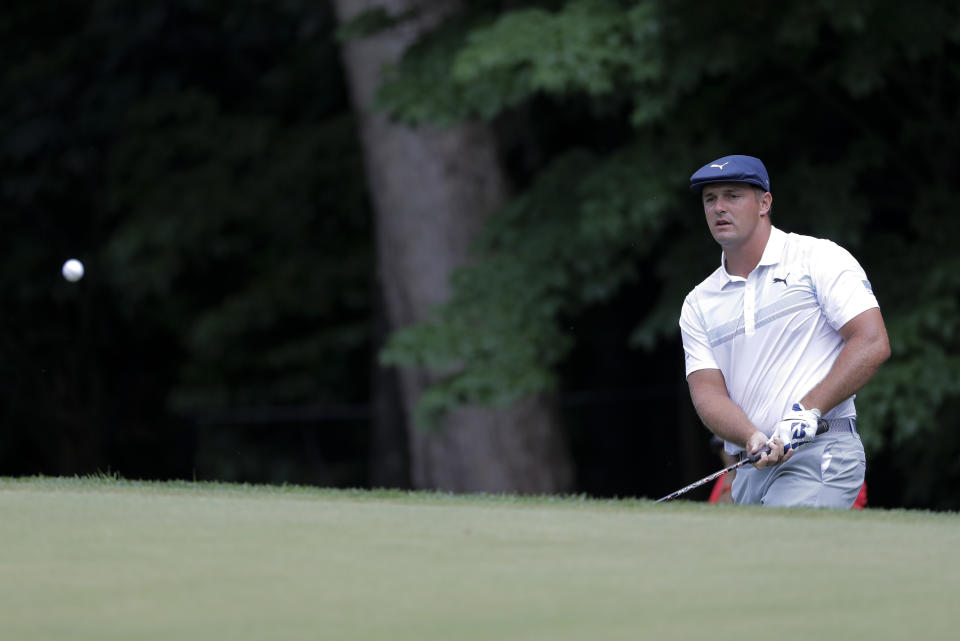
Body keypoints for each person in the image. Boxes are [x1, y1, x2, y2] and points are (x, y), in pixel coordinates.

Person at [679, 155, 890, 508]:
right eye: (710, 199)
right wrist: (750, 436)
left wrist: (808, 410)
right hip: (751, 468)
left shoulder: (817, 258)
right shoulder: (699, 302)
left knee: (785, 552)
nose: (719, 208)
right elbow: (708, 395)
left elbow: (872, 341)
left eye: (732, 195)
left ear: (765, 202)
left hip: (822, 451)